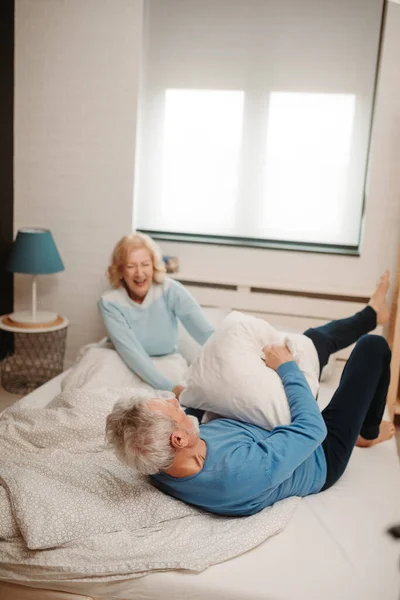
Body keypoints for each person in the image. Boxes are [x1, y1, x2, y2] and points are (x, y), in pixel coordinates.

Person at [106, 272, 396, 517]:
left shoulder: (155, 459)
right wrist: (287, 370)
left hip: (257, 427)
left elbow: (145, 428)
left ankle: (371, 313)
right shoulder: (240, 473)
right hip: (319, 453)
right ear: (178, 439)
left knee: (309, 342)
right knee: (372, 348)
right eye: (171, 407)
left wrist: (190, 399)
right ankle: (367, 432)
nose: (174, 400)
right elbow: (311, 430)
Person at [98, 233, 215, 397]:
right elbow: (131, 351)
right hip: (122, 361)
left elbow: (205, 332)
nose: (139, 273)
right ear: (120, 270)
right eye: (131, 266)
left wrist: (236, 355)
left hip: (167, 362)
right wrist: (169, 387)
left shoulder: (171, 290)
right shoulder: (109, 302)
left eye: (145, 264)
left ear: (153, 265)